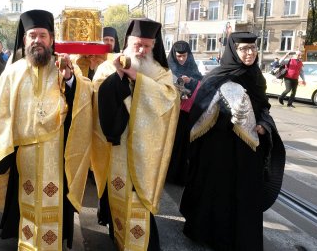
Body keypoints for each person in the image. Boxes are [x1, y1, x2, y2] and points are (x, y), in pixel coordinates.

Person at [0, 9, 93, 250]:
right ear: (24, 39)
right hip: (24, 155)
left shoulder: (64, 67)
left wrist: (70, 80)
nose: (37, 40)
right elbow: (1, 114)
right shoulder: (13, 72)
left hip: (57, 153)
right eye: (32, 35)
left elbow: (84, 98)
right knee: (26, 204)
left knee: (54, 204)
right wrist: (1, 149)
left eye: (42, 35)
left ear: (51, 39)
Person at [180, 32, 286, 251]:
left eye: (253, 48)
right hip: (218, 150)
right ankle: (210, 236)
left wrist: (264, 126)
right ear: (233, 50)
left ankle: (241, 239)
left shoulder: (256, 76)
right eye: (244, 49)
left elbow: (263, 107)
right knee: (217, 193)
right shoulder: (217, 76)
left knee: (245, 195)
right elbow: (199, 110)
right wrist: (224, 112)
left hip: (248, 150)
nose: (250, 53)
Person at [92, 18, 180, 250]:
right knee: (117, 199)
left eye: (147, 46)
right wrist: (118, 78)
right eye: (137, 44)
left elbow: (169, 100)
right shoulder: (107, 66)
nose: (141, 50)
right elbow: (96, 95)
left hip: (145, 151)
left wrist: (135, 77)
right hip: (115, 147)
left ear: (154, 46)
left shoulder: (160, 72)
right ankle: (118, 237)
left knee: (139, 203)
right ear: (128, 42)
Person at [165, 40, 203, 186]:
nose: (182, 59)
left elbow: (201, 84)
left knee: (185, 146)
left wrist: (191, 81)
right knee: (171, 145)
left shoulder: (192, 67)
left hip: (187, 115)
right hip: (171, 114)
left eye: (184, 56)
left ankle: (182, 176)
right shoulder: (167, 68)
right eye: (179, 56)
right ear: (174, 55)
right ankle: (168, 175)